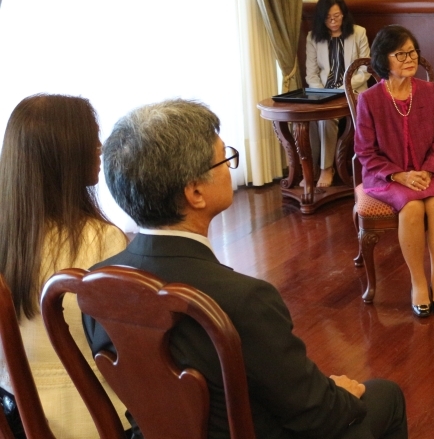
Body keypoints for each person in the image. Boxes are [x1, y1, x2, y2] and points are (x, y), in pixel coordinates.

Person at [86, 99, 407, 439]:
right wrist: (340, 394)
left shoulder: (95, 286)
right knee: (384, 396)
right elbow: (317, 415)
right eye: (225, 159)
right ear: (195, 192)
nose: (230, 168)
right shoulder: (244, 300)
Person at [0, 95, 130, 438]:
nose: (100, 148)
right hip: (92, 419)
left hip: (14, 418)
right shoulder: (103, 241)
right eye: (92, 138)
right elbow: (125, 350)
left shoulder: (6, 239)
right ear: (65, 156)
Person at [354, 26, 434, 318]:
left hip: (428, 172)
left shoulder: (431, 92)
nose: (410, 58)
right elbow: (365, 152)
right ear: (384, 60)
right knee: (411, 208)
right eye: (401, 54)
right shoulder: (369, 100)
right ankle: (418, 283)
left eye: (412, 52)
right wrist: (400, 175)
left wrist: (423, 171)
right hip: (385, 178)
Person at [305, 0, 370, 187]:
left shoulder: (358, 33)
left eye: (337, 16)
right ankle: (311, 169)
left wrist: (343, 88)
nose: (333, 21)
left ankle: (326, 169)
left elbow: (365, 69)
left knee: (326, 118)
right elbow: (312, 73)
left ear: (344, 14)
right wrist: (321, 92)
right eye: (328, 18)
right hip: (324, 92)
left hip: (352, 90)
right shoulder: (313, 37)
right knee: (309, 119)